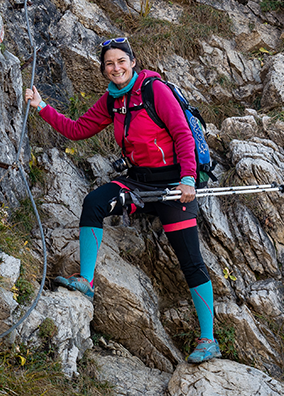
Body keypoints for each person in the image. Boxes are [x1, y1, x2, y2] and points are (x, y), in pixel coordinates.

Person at [25, 37, 220, 365]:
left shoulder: (154, 91)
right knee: (95, 202)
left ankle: (208, 338)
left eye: (121, 61)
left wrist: (188, 179)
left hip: (174, 185)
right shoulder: (112, 100)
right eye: (109, 63)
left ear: (132, 62)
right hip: (138, 182)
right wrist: (42, 108)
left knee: (191, 261)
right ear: (104, 69)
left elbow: (183, 134)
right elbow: (77, 129)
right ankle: (86, 282)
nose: (116, 67)